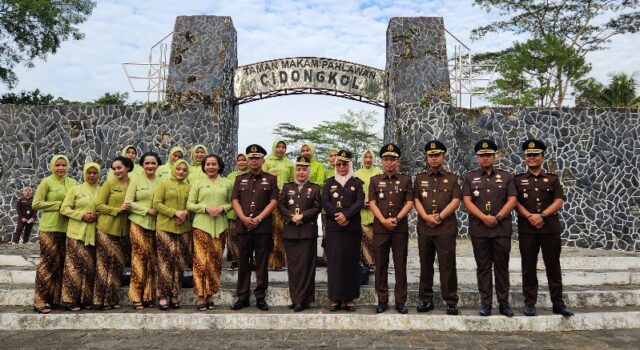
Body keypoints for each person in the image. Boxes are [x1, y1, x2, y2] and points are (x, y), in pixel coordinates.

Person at [515, 139, 574, 317]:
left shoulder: (552, 179)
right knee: (528, 266)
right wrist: (530, 217)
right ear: (525, 158)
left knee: (553, 266)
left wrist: (541, 215)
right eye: (528, 155)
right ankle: (530, 303)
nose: (532, 158)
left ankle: (558, 303)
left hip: (549, 228)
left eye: (535, 155)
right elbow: (515, 202)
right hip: (527, 228)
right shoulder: (518, 180)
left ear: (542, 157)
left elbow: (559, 201)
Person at [462, 139, 517, 317]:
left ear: (494, 157)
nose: (485, 158)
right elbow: (467, 201)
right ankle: (485, 303)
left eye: (488, 155)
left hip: (501, 229)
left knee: (501, 267)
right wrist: (483, 217)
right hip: (480, 229)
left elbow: (512, 199)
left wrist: (499, 216)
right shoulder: (470, 177)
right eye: (482, 156)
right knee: (483, 267)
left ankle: (503, 303)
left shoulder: (507, 176)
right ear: (477, 157)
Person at [413, 141, 461, 315]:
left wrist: (440, 216)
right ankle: (426, 300)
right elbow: (416, 199)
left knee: (447, 265)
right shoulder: (419, 178)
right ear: (427, 157)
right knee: (425, 264)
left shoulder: (453, 178)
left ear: (443, 157)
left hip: (445, 228)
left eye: (437, 155)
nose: (434, 158)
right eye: (430, 155)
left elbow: (456, 200)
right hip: (425, 227)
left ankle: (451, 301)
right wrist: (425, 217)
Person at [230, 144, 278, 311]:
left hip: (262, 226)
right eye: (251, 158)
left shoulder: (271, 179)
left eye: (257, 158)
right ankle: (242, 297)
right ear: (248, 160)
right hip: (243, 226)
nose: (254, 160)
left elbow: (273, 202)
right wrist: (243, 218)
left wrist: (258, 218)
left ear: (263, 160)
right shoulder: (239, 179)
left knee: (261, 262)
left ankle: (260, 297)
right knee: (243, 262)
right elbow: (234, 200)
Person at [368, 144, 414, 314]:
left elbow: (410, 202)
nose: (389, 163)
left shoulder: (406, 180)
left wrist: (397, 218)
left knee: (400, 264)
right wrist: (382, 220)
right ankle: (382, 300)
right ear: (382, 161)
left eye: (392, 159)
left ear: (398, 162)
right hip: (380, 228)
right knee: (380, 265)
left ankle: (401, 301)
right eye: (386, 159)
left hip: (399, 228)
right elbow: (372, 203)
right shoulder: (375, 180)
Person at [32, 155, 78, 313]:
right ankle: (40, 300)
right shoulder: (47, 182)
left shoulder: (72, 183)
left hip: (68, 228)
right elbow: (36, 204)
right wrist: (57, 204)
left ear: (68, 166)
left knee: (62, 264)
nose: (60, 168)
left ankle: (56, 299)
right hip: (50, 228)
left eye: (63, 165)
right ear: (52, 166)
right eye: (57, 165)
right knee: (47, 263)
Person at [187, 154, 231, 311]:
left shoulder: (226, 183)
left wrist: (222, 208)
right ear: (203, 166)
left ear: (219, 166)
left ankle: (211, 295)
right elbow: (190, 204)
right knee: (200, 262)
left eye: (214, 164)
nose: (211, 167)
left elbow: (232, 203)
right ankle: (200, 297)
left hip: (220, 227)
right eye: (208, 164)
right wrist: (205, 208)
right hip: (201, 226)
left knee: (215, 262)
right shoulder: (197, 182)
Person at [279, 156, 322, 312]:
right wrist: (292, 217)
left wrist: (302, 216)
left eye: (304, 169)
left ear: (309, 171)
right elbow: (281, 205)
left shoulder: (315, 188)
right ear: (294, 171)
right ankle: (295, 298)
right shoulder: (287, 187)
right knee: (294, 268)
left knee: (306, 266)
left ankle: (303, 299)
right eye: (298, 169)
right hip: (290, 231)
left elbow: (317, 207)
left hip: (307, 232)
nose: (301, 172)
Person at [323, 150, 364, 311]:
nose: (341, 167)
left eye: (344, 164)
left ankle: (349, 299)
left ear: (349, 165)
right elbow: (325, 201)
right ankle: (335, 298)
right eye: (339, 164)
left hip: (351, 229)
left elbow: (359, 201)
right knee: (334, 263)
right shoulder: (329, 183)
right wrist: (337, 215)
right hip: (334, 229)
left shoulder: (357, 183)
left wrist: (346, 215)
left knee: (351, 263)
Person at [60, 162, 101, 311]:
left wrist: (98, 215)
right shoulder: (75, 190)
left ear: (99, 174)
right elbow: (64, 209)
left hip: (93, 234)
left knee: (89, 268)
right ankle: (70, 300)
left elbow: (104, 209)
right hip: (76, 233)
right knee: (73, 267)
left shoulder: (102, 191)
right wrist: (81, 215)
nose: (91, 176)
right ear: (84, 174)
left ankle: (85, 299)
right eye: (89, 173)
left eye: (94, 173)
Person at [94, 156, 133, 310]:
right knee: (104, 265)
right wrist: (116, 210)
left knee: (117, 266)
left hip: (124, 231)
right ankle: (99, 300)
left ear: (127, 168)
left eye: (119, 167)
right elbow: (99, 205)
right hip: (107, 229)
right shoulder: (109, 183)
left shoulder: (132, 184)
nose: (117, 171)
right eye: (114, 168)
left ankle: (112, 298)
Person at [153, 159, 192, 310]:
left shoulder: (190, 186)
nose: (181, 172)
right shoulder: (163, 184)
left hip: (184, 228)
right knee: (165, 262)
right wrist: (175, 213)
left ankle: (175, 295)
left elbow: (193, 203)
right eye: (178, 169)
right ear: (173, 169)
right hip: (165, 227)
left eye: (184, 169)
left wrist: (184, 214)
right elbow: (156, 203)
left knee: (180, 263)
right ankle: (163, 295)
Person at [125, 151, 161, 310]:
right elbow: (128, 203)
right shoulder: (135, 180)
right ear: (142, 165)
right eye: (147, 163)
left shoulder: (162, 181)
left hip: (156, 226)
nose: (150, 166)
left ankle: (148, 296)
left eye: (153, 163)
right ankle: (136, 296)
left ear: (158, 165)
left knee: (152, 260)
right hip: (138, 223)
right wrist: (147, 210)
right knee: (139, 259)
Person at [262, 139, 293, 270]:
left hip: (284, 199)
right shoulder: (267, 161)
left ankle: (279, 262)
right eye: (278, 147)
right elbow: (262, 180)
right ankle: (267, 261)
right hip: (268, 198)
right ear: (274, 147)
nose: (280, 149)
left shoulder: (290, 163)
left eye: (283, 147)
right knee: (268, 230)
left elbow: (291, 182)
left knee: (280, 230)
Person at [353, 149, 382, 272]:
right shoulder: (356, 174)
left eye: (370, 157)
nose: (368, 160)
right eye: (366, 157)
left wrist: (372, 201)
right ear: (362, 159)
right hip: (362, 212)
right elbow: (353, 193)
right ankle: (367, 265)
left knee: (377, 240)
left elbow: (382, 192)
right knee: (364, 240)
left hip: (377, 212)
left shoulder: (379, 172)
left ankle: (377, 264)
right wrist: (361, 202)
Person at [224, 153, 248, 269]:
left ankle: (246, 260)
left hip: (247, 212)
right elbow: (227, 194)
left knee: (245, 237)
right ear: (236, 163)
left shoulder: (252, 175)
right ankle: (236, 260)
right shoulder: (230, 176)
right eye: (239, 160)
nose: (242, 162)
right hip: (232, 211)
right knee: (233, 236)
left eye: (244, 160)